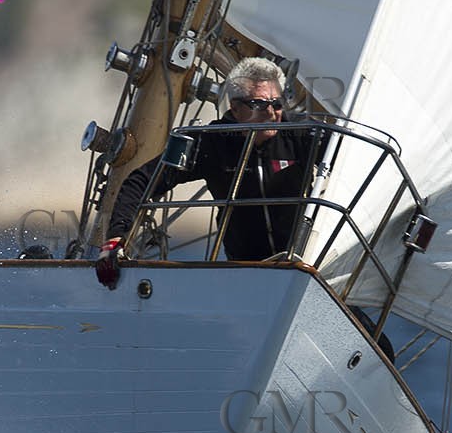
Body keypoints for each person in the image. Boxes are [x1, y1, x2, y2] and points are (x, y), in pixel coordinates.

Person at [96, 57, 323, 288]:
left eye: (277, 103)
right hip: (243, 271)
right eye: (259, 105)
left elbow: (353, 158)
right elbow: (141, 180)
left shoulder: (305, 134)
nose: (272, 113)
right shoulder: (211, 141)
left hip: (302, 268)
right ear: (235, 108)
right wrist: (116, 238)